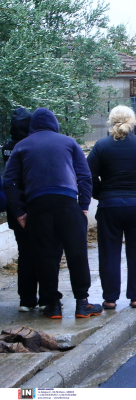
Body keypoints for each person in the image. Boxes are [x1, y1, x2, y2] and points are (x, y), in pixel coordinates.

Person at [4, 108, 102, 319]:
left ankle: (52, 305)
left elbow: (9, 182)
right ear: (54, 123)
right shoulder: (69, 142)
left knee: (44, 256)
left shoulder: (21, 146)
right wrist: (84, 207)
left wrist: (20, 213)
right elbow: (85, 177)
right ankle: (82, 304)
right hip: (67, 203)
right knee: (77, 254)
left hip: (37, 205)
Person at [87, 106, 136, 309]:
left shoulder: (101, 146)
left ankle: (110, 298)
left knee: (109, 253)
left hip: (109, 205)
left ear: (111, 121)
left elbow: (88, 176)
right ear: (133, 122)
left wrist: (101, 193)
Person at [3, 108, 60, 312]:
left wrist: (17, 211)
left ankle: (26, 300)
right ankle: (47, 297)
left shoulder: (8, 147)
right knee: (48, 252)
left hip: (16, 209)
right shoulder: (33, 145)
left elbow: (8, 181)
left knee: (25, 253)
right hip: (39, 205)